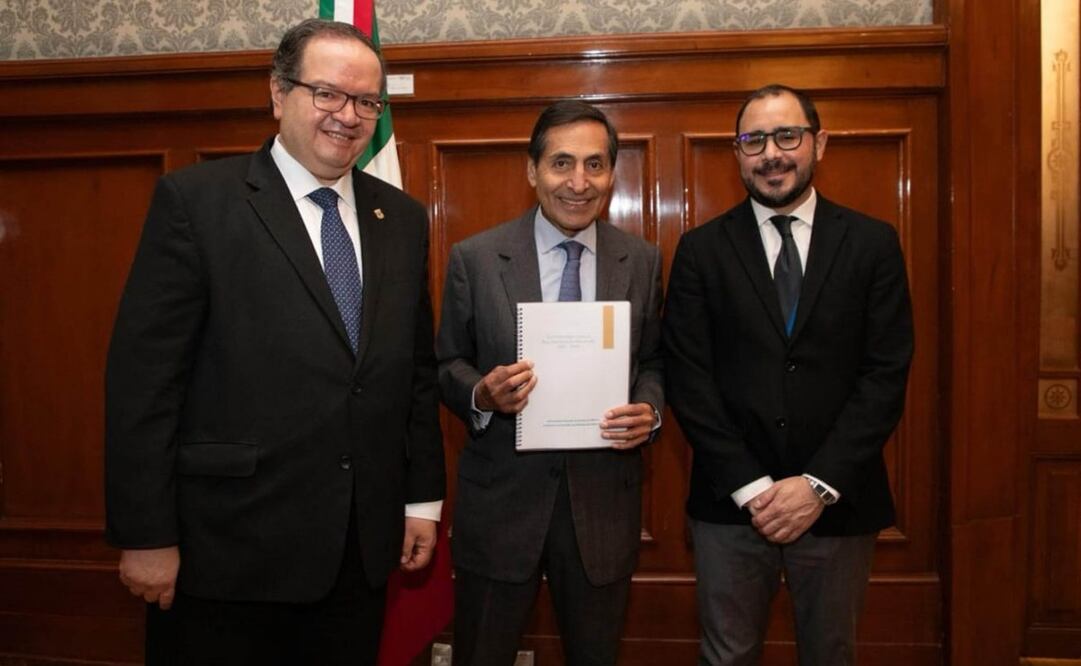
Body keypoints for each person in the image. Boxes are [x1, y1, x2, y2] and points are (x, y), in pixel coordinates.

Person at [104, 18, 445, 665]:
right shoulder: (198, 202)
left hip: (358, 550)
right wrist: (146, 534)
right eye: (328, 93)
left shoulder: (399, 217)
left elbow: (415, 373)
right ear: (278, 93)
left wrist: (421, 500)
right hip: (227, 550)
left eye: (366, 101)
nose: (348, 116)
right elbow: (144, 383)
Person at [663, 84, 914, 665]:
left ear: (818, 143)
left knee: (831, 653)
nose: (771, 153)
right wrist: (753, 488)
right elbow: (689, 379)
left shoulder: (873, 243)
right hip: (730, 503)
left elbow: (885, 374)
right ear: (737, 152)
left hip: (839, 501)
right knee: (726, 656)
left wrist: (817, 485)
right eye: (754, 140)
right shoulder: (700, 250)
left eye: (787, 136)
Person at [436, 100, 664, 665]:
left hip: (602, 508)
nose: (579, 183)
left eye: (595, 165)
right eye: (562, 163)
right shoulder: (476, 258)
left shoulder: (641, 260)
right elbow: (446, 364)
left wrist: (649, 411)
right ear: (532, 170)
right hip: (500, 507)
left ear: (611, 174)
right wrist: (482, 394)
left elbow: (655, 362)